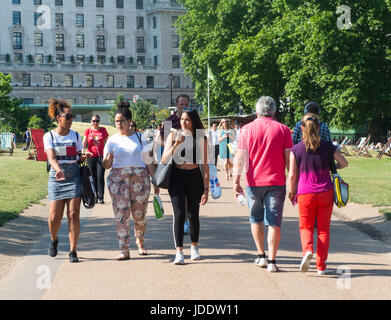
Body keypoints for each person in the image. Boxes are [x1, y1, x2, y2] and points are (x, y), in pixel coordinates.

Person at [233, 96, 293, 272]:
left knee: (256, 219)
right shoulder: (283, 130)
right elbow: (289, 160)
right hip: (276, 182)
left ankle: (261, 256)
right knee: (274, 222)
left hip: (253, 182)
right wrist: (293, 183)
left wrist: (236, 181)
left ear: (256, 110)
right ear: (274, 110)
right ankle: (273, 261)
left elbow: (240, 157)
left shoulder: (246, 130)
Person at [288, 113, 348, 275]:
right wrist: (332, 167)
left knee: (306, 226)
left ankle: (307, 250)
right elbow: (344, 162)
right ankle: (321, 266)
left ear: (301, 128)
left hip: (305, 193)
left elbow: (292, 175)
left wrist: (292, 192)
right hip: (325, 192)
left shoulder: (296, 149)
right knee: (323, 230)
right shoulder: (328, 146)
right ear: (319, 127)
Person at [102, 101, 159, 260]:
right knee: (121, 214)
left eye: (122, 121)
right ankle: (124, 248)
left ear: (129, 121)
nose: (119, 124)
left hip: (139, 178)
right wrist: (108, 158)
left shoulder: (141, 138)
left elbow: (148, 161)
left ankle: (140, 240)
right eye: (116, 121)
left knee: (139, 213)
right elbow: (106, 165)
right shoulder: (112, 140)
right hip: (118, 180)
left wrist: (155, 180)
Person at [161, 109, 209, 265]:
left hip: (194, 176)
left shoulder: (200, 137)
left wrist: (206, 189)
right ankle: (179, 251)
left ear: (193, 121)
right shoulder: (173, 135)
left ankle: (194, 247)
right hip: (177, 177)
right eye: (182, 119)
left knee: (193, 214)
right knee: (179, 214)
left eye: (187, 119)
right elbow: (164, 159)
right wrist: (176, 144)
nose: (184, 122)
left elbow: (205, 165)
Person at [43, 99, 85, 263]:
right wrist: (57, 169)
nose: (71, 119)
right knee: (55, 217)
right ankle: (54, 239)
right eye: (68, 116)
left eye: (72, 116)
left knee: (73, 214)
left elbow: (79, 155)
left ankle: (73, 251)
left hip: (73, 175)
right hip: (57, 177)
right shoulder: (49, 136)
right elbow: (51, 157)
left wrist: (83, 156)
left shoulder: (76, 135)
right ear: (58, 117)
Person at [83, 114, 109, 204]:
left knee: (100, 176)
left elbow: (107, 143)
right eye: (93, 121)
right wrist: (84, 153)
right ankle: (95, 195)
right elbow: (84, 143)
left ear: (99, 121)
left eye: (97, 121)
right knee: (93, 177)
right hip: (90, 157)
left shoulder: (103, 130)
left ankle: (101, 197)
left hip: (100, 156)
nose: (95, 122)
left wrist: (107, 154)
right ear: (91, 121)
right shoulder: (88, 131)